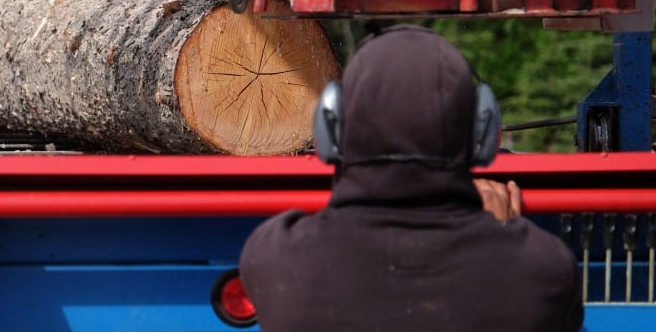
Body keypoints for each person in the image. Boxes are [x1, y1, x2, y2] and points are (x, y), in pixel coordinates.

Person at [239, 25, 584, 332]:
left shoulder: (276, 257)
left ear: (333, 130)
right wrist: (509, 244)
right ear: (482, 134)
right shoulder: (542, 271)